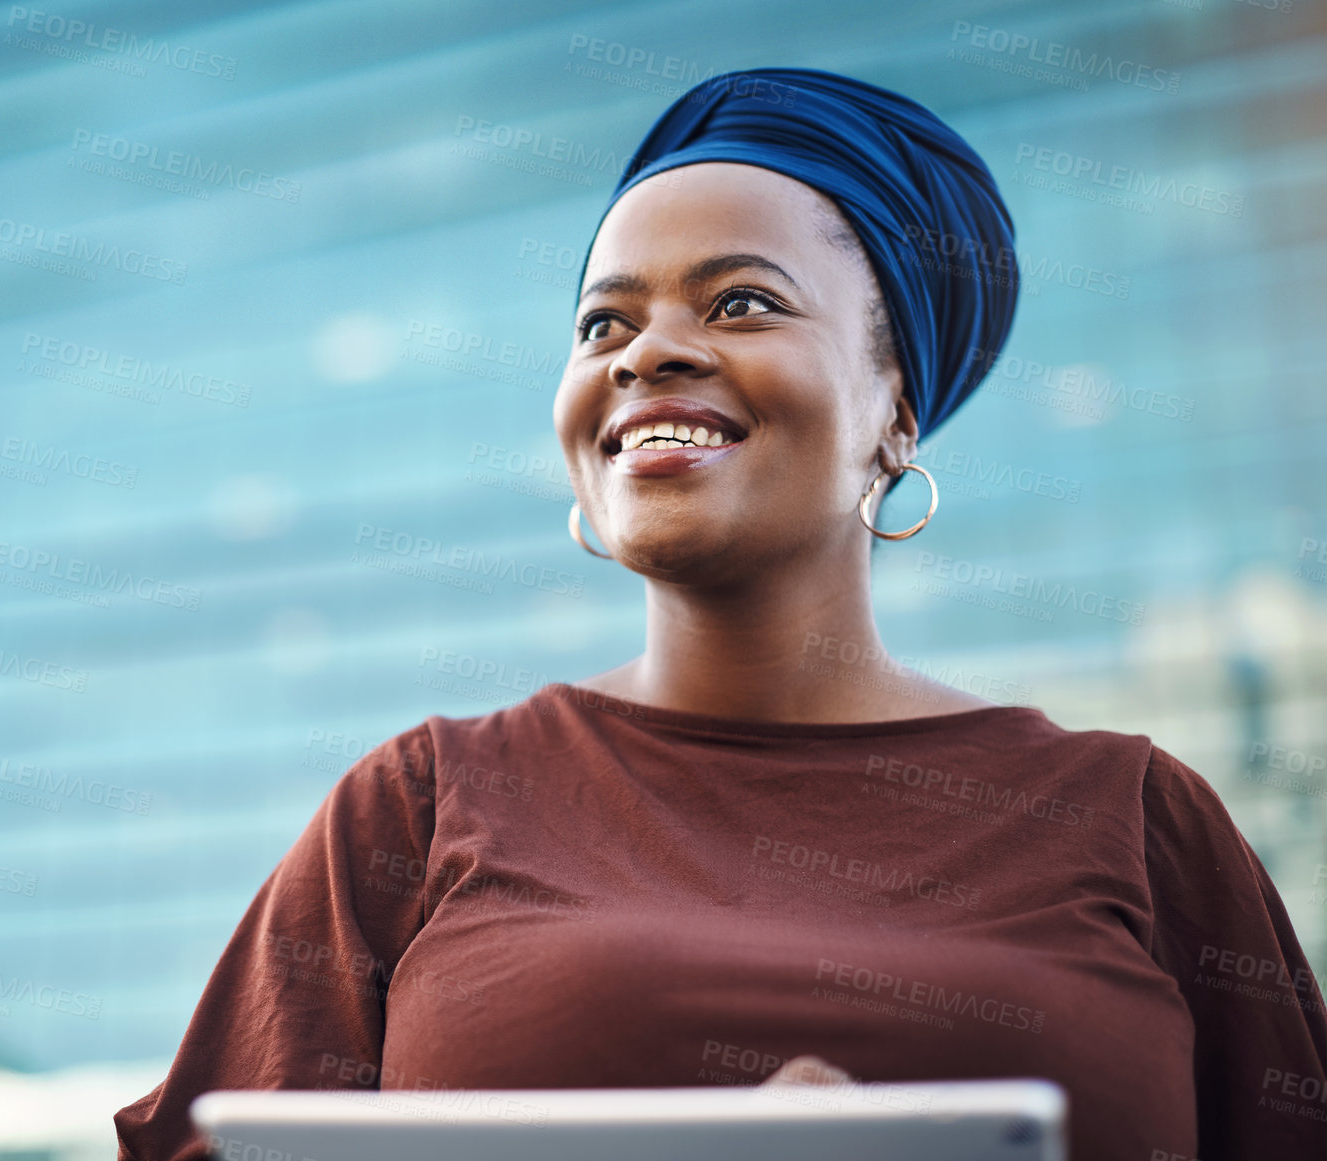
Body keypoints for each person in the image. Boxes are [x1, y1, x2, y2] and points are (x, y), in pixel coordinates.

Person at [115, 68, 1327, 1160]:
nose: (644, 356)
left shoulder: (1138, 818)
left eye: (739, 303)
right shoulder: (419, 805)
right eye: (603, 323)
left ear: (895, 408)